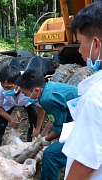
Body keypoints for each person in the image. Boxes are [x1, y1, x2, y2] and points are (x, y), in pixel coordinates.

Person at [62, 3, 102, 180]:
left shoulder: (95, 95)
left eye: (79, 42)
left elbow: (86, 165)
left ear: (95, 44)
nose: (79, 50)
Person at [16, 68, 79, 180]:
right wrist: (42, 134)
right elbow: (53, 119)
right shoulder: (49, 88)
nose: (24, 96)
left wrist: (45, 140)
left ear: (36, 90)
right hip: (82, 120)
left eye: (25, 93)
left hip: (93, 127)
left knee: (51, 154)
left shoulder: (47, 99)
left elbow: (59, 130)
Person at [0, 66, 45, 147]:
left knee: (35, 118)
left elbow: (41, 107)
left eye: (9, 87)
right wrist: (10, 119)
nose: (5, 89)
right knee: (0, 123)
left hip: (28, 100)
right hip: (8, 101)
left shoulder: (30, 86)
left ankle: (31, 145)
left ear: (17, 83)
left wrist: (37, 129)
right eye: (4, 87)